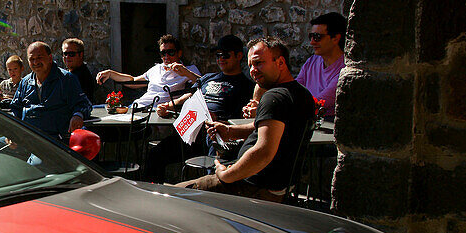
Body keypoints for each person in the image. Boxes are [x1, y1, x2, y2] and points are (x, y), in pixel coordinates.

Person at [176, 37, 315, 202]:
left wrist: (227, 175)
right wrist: (231, 131)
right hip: (273, 187)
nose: (253, 70)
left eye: (258, 63)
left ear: (280, 62)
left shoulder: (274, 97)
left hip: (251, 188)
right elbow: (275, 129)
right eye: (250, 65)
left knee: (170, 195)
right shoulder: (301, 93)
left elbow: (263, 153)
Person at [144, 35, 255, 182]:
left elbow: (244, 118)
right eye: (218, 55)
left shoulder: (246, 86)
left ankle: (209, 190)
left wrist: (221, 121)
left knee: (214, 159)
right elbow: (191, 95)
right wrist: (170, 105)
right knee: (155, 155)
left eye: (226, 55)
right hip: (192, 131)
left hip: (216, 133)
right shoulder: (209, 78)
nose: (221, 58)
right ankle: (153, 195)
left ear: (239, 56)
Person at [3, 41, 90, 142]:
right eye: (32, 59)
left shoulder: (66, 79)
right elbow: (16, 108)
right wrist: (12, 131)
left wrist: (77, 115)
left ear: (50, 58)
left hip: (52, 142)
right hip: (26, 137)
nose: (35, 62)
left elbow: (83, 104)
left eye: (39, 57)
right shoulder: (25, 82)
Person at [96, 35, 201, 108]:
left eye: (171, 52)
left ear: (179, 53)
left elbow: (203, 85)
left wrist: (185, 72)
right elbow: (133, 81)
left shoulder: (189, 69)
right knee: (94, 113)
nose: (166, 56)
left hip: (155, 112)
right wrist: (110, 73)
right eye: (163, 53)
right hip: (138, 107)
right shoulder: (156, 68)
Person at [295, 11, 346, 120]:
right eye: (311, 36)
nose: (312, 42)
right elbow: (294, 89)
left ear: (336, 38)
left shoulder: (344, 70)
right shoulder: (312, 61)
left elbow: (319, 103)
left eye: (317, 37)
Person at [61, 38, 100, 103]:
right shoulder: (71, 75)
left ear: (80, 55)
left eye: (71, 54)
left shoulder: (80, 77)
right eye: (65, 54)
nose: (67, 57)